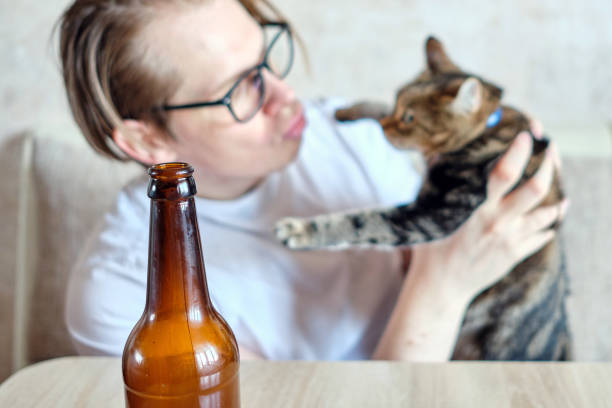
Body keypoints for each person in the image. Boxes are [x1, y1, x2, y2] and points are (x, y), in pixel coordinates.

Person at [59, 0, 566, 361]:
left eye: (267, 58)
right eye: (242, 88)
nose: (287, 96)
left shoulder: (343, 136)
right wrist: (443, 285)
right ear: (147, 142)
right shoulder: (126, 296)